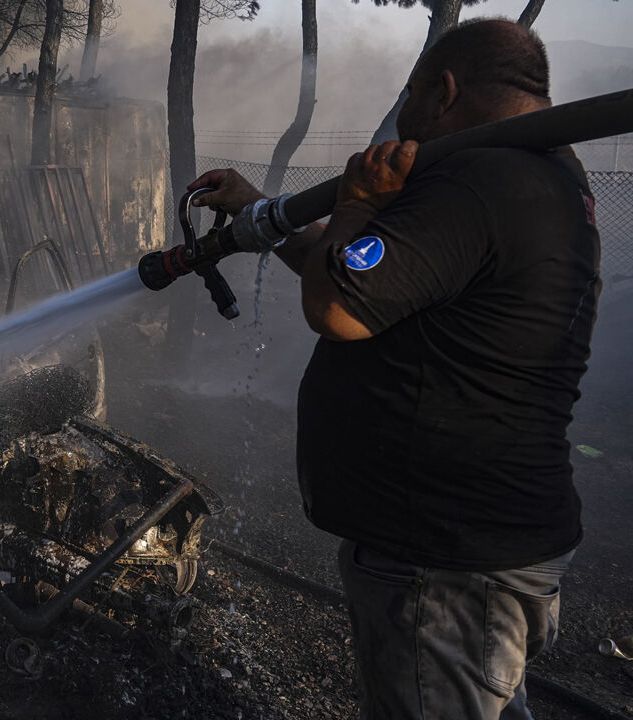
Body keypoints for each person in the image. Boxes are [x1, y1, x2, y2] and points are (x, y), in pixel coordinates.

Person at [190, 19, 599, 720]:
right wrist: (257, 208)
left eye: (407, 99)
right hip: (478, 545)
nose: (400, 122)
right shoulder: (539, 172)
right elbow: (366, 276)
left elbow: (338, 303)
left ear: (442, 91)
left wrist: (358, 205)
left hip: (443, 560)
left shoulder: (479, 180)